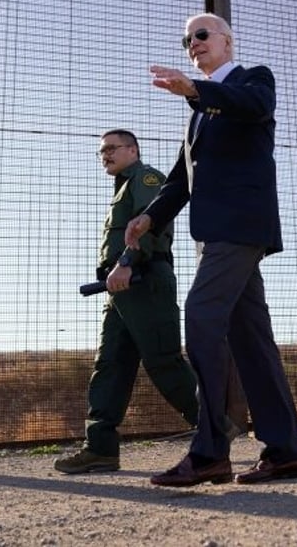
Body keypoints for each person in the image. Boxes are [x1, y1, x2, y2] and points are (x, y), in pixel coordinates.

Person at [125, 12, 297, 486]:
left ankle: (210, 451)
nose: (193, 44)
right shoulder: (199, 118)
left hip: (241, 228)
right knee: (252, 340)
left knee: (202, 318)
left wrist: (193, 91)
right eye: (187, 40)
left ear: (227, 41)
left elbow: (252, 105)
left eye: (201, 35)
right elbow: (181, 179)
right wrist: (149, 218)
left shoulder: (252, 81)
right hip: (215, 235)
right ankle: (286, 451)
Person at [54, 130, 199, 474]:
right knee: (110, 364)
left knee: (163, 360)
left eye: (111, 148)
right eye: (101, 151)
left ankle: (216, 425)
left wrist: (127, 263)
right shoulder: (121, 187)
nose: (104, 155)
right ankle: (100, 448)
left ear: (132, 150)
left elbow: (151, 223)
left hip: (144, 278)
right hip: (120, 287)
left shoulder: (147, 178)